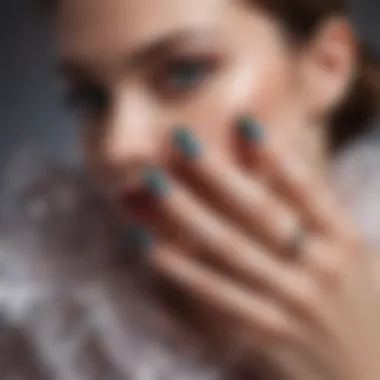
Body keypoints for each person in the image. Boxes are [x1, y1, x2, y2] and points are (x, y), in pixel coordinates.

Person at [1, 0, 380, 379]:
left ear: (327, 65)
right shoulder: (40, 333)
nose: (118, 146)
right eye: (90, 98)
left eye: (184, 72)